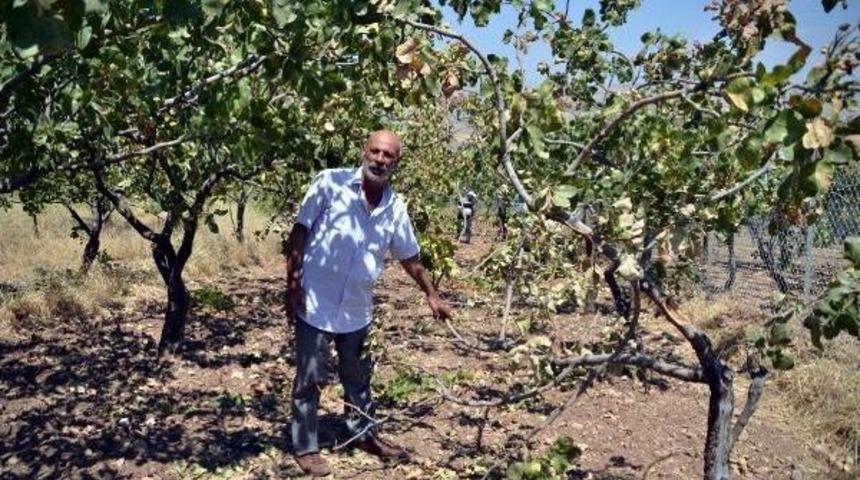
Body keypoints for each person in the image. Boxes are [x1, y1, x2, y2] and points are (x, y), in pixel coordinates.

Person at [284, 130, 453, 477]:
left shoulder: (395, 207)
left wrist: (431, 294)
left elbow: (409, 257)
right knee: (309, 378)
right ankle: (305, 446)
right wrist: (292, 283)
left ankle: (363, 434)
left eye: (388, 155)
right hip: (315, 302)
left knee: (358, 378)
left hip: (357, 310)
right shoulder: (329, 183)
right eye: (375, 151)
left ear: (396, 162)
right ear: (364, 152)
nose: (379, 159)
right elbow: (299, 233)